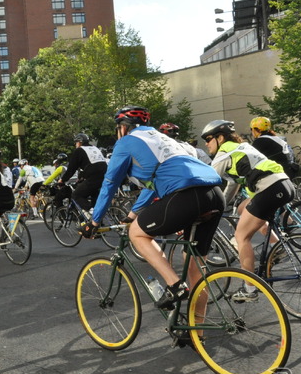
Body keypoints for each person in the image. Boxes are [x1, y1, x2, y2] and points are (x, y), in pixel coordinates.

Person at [79, 106, 225, 313]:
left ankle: (175, 285)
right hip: (215, 194)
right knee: (195, 271)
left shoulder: (126, 142)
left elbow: (110, 183)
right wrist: (134, 214)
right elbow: (154, 184)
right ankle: (197, 334)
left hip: (187, 194)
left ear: (123, 127)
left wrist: (94, 221)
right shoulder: (164, 140)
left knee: (136, 233)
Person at [202, 120, 295, 302]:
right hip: (283, 184)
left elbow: (208, 180)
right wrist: (222, 206)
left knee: (241, 236)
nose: (206, 143)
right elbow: (232, 185)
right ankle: (277, 246)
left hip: (270, 187)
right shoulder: (241, 147)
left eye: (209, 139)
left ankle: (249, 288)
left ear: (220, 138)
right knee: (243, 207)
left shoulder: (224, 151)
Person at [58, 133, 107, 217]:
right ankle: (97, 221)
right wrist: (82, 177)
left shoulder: (79, 150)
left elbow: (71, 169)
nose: (75, 144)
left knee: (76, 195)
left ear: (80, 142)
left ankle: (91, 211)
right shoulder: (95, 148)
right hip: (104, 176)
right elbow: (90, 165)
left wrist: (62, 180)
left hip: (93, 178)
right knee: (94, 195)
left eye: (76, 142)